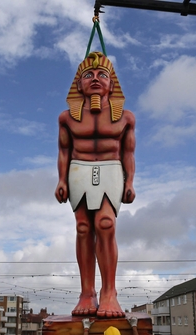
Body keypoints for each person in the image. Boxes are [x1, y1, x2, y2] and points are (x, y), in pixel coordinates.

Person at [55, 51, 136, 319]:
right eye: (88, 75)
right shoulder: (67, 117)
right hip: (78, 169)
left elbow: (128, 153)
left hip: (112, 170)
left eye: (102, 74)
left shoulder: (125, 117)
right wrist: (61, 179)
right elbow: (64, 150)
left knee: (105, 224)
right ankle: (86, 292)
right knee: (82, 228)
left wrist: (130, 181)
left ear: (112, 84)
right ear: (79, 85)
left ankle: (109, 292)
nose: (95, 79)